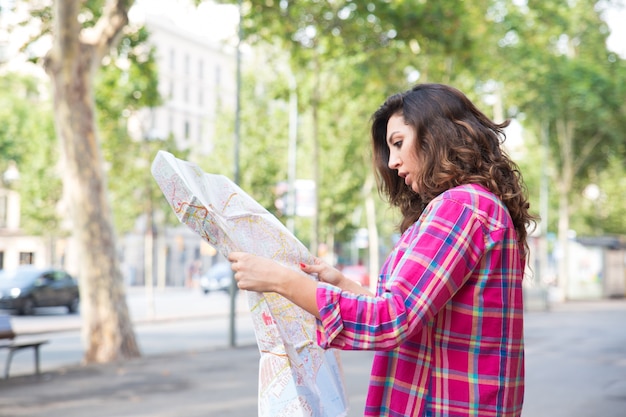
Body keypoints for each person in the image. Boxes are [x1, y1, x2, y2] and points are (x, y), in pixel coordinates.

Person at [228, 83, 535, 417]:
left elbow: (393, 319)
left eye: (399, 143)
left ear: (438, 135)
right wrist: (342, 284)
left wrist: (280, 280)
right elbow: (419, 317)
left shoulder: (460, 207)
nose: (392, 162)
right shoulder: (478, 207)